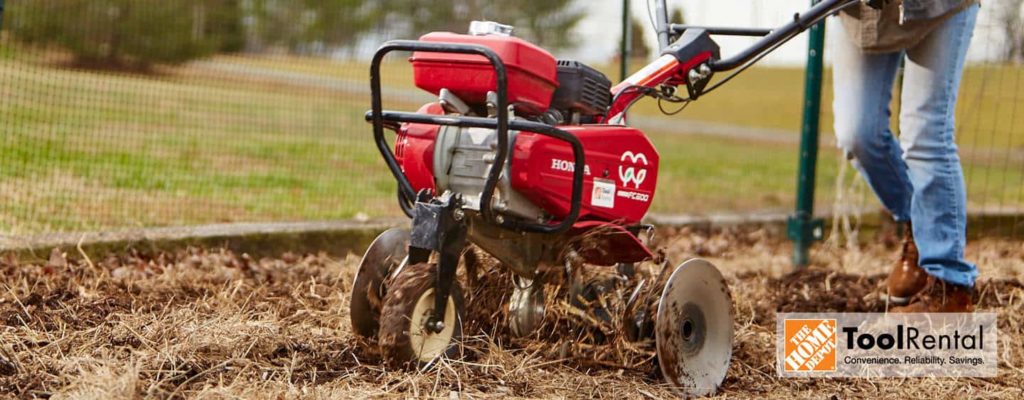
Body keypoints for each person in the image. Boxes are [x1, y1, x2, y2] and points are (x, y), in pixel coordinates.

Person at [831, 0, 980, 312]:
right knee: (857, 132)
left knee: (926, 135)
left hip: (940, 7)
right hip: (861, 13)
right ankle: (922, 229)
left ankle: (948, 285)